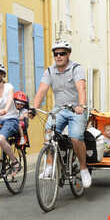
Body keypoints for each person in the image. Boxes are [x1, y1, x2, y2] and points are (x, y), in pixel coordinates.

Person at [29, 40, 91, 188]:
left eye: (62, 53)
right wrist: (34, 108)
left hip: (76, 109)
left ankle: (83, 169)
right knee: (49, 132)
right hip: (59, 109)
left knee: (75, 137)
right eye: (56, 54)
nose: (58, 56)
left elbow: (81, 88)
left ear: (68, 54)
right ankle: (50, 166)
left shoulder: (76, 68)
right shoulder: (49, 71)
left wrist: (81, 105)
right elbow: (41, 91)